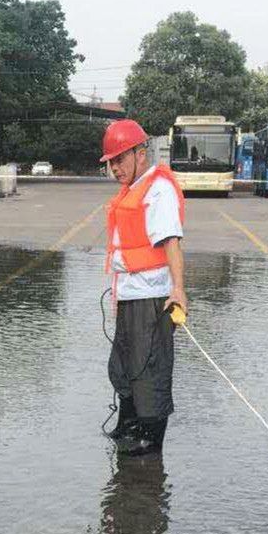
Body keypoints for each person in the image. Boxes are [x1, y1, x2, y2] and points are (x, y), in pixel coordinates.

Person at [101, 119, 187, 456]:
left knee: (149, 368)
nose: (115, 168)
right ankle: (128, 425)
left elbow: (171, 241)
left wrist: (178, 290)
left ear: (140, 154)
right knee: (124, 365)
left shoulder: (158, 190)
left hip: (152, 298)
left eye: (120, 159)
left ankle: (150, 440)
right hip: (130, 294)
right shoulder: (132, 189)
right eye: (111, 162)